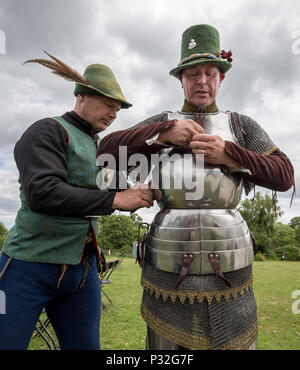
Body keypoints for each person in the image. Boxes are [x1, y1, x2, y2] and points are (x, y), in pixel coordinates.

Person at [97, 24, 294, 350]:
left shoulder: (240, 126)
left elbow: (284, 175)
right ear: (181, 79)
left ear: (221, 77)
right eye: (193, 74)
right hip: (169, 259)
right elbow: (105, 150)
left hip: (231, 260)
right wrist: (162, 132)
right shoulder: (164, 120)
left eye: (210, 73)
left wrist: (231, 153)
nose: (202, 81)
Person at [0, 51, 154, 350]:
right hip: (28, 268)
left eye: (118, 108)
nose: (113, 113)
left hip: (82, 274)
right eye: (108, 104)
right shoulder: (47, 130)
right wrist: (116, 201)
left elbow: (104, 183)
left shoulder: (96, 145)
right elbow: (42, 192)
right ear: (81, 96)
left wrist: (149, 185)